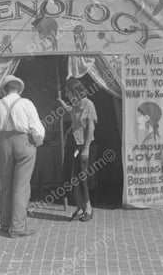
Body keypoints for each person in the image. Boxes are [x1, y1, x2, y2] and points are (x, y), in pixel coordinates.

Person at [0, 75, 45, 238]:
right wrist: (37, 142)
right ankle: (18, 227)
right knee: (21, 186)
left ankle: (5, 223)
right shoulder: (26, 103)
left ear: (3, 91)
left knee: (6, 185)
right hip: (24, 143)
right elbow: (38, 130)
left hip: (3, 144)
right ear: (19, 90)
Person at [58, 77, 97, 222]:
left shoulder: (88, 104)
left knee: (82, 177)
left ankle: (88, 208)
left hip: (82, 144)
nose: (67, 95)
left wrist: (86, 148)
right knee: (73, 178)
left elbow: (91, 127)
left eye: (68, 92)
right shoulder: (76, 104)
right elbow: (72, 111)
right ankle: (79, 207)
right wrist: (64, 105)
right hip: (72, 143)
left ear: (75, 91)